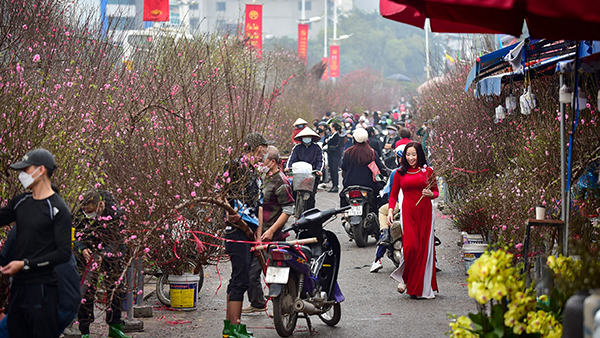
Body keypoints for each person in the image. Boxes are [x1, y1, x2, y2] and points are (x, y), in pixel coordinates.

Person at [0, 148, 72, 338]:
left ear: (41, 170)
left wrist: (25, 264)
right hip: (18, 289)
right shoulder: (21, 202)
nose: (22, 175)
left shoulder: (58, 208)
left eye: (25, 170)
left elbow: (63, 252)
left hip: (42, 289)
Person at [222, 132, 268, 338]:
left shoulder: (254, 173)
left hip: (249, 232)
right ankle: (233, 328)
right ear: (258, 148)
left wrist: (257, 234)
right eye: (263, 152)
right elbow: (223, 195)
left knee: (238, 279)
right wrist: (229, 214)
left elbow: (258, 205)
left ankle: (232, 326)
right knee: (240, 280)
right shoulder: (235, 167)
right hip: (237, 231)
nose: (263, 157)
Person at [242, 146, 294, 315]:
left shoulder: (281, 182)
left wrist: (271, 230)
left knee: (274, 274)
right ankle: (257, 302)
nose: (259, 162)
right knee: (252, 272)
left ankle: (279, 307)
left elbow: (288, 210)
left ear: (272, 162)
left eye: (262, 159)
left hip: (273, 236)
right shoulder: (263, 178)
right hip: (258, 235)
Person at [74, 189, 130, 338]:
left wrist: (103, 255)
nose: (88, 215)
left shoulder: (115, 214)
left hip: (111, 254)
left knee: (115, 288)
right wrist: (82, 249)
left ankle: (115, 326)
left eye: (90, 211)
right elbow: (76, 235)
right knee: (86, 291)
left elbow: (118, 240)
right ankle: (84, 330)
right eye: (85, 211)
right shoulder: (81, 213)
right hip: (88, 255)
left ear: (100, 204)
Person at [387, 142, 439, 299]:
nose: (411, 158)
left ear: (419, 155)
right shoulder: (399, 173)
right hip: (408, 213)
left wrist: (431, 194)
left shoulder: (428, 171)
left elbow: (436, 191)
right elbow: (393, 195)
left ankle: (418, 287)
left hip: (425, 213)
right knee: (410, 247)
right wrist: (390, 211)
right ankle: (406, 277)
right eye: (408, 155)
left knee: (423, 250)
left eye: (414, 155)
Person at [370, 146, 404, 273]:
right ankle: (434, 259)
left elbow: (389, 192)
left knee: (383, 214)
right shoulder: (421, 171)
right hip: (417, 206)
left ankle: (377, 259)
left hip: (399, 205)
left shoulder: (396, 173)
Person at [339, 128, 388, 208]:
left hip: (350, 184)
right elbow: (381, 169)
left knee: (343, 196)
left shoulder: (348, 152)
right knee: (381, 196)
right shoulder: (371, 152)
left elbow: (344, 169)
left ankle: (343, 215)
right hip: (369, 185)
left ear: (353, 139)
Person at [285, 128, 323, 211]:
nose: (306, 138)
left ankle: (310, 213)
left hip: (312, 174)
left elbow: (320, 161)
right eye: (305, 137)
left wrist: (318, 170)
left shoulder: (317, 148)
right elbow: (292, 159)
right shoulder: (297, 148)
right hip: (299, 174)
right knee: (293, 190)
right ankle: (295, 206)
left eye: (308, 136)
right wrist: (288, 167)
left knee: (311, 196)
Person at [324, 122, 343, 193]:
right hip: (331, 154)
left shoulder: (336, 135)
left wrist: (327, 141)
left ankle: (336, 186)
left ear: (333, 127)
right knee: (331, 170)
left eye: (331, 126)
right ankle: (333, 185)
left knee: (334, 170)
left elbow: (331, 142)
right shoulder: (332, 135)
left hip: (335, 155)